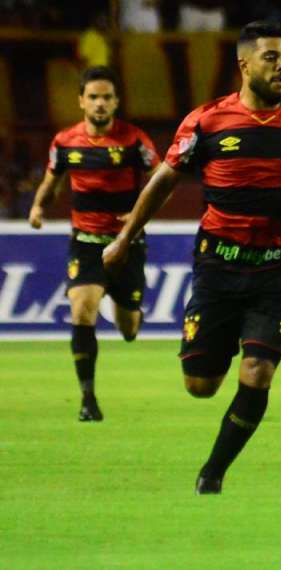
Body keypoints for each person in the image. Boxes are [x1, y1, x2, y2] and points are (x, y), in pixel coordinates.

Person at [102, 21, 281, 495]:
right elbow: (165, 180)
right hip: (218, 266)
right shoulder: (206, 121)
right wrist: (126, 236)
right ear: (244, 64)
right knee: (201, 384)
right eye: (271, 58)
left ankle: (212, 473)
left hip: (280, 267)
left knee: (258, 371)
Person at [28, 66, 160, 422]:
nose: (100, 104)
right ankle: (88, 398)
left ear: (116, 102)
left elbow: (161, 183)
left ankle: (130, 312)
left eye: (106, 97)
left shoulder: (135, 141)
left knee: (128, 328)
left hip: (126, 243)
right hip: (85, 242)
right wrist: (39, 206)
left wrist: (136, 217)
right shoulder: (65, 142)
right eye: (93, 97)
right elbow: (52, 182)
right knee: (82, 308)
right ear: (81, 102)